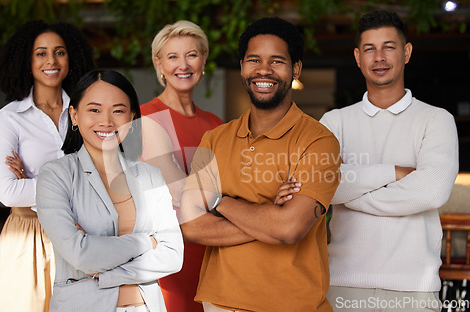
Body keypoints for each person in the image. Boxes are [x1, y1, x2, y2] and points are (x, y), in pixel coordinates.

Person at [179, 17, 341, 312]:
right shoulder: (213, 138)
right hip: (220, 302)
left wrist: (218, 200)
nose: (263, 70)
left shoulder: (319, 142)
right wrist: (270, 217)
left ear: (296, 69)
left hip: (294, 304)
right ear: (242, 66)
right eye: (254, 60)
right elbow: (190, 226)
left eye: (277, 61)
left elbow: (290, 229)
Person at [320, 10, 458, 311]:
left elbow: (432, 191)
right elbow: (321, 185)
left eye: (389, 47)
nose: (378, 57)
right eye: (369, 49)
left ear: (406, 52)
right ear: (358, 57)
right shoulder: (334, 122)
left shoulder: (436, 120)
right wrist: (394, 172)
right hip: (344, 285)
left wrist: (350, 191)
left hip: (414, 290)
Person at [36, 69, 184, 312]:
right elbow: (81, 255)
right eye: (94, 110)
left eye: (118, 110)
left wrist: (105, 270)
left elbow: (173, 255)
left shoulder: (150, 175)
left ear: (132, 117)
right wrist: (148, 242)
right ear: (74, 115)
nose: (106, 121)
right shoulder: (56, 175)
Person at [0, 20, 94, 311]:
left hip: (80, 235)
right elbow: (9, 192)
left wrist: (35, 182)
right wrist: (70, 184)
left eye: (59, 52)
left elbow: (102, 176)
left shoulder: (86, 112)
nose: (51, 60)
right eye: (41, 53)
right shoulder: (10, 118)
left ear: (70, 58)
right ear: (27, 60)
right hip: (27, 238)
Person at [140, 20, 223, 312]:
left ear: (203, 60)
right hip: (171, 258)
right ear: (158, 64)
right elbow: (181, 197)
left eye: (192, 54)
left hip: (214, 253)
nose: (183, 65)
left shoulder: (214, 124)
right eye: (173, 56)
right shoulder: (147, 118)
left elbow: (230, 187)